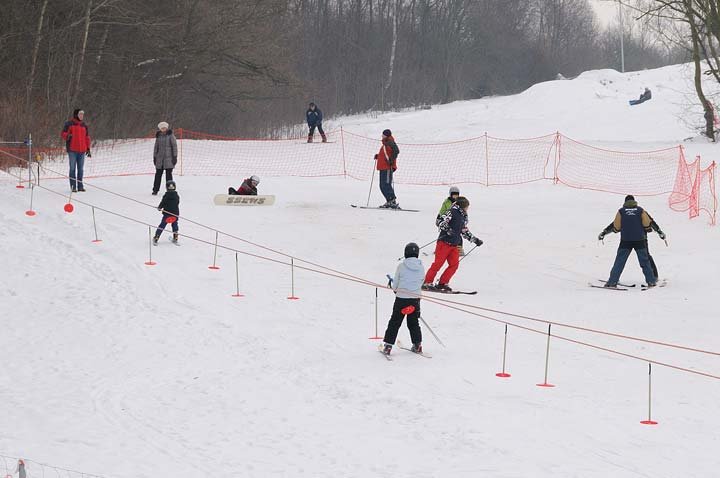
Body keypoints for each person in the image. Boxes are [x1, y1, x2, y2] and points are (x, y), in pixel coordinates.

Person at [598, 195, 664, 288]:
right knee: (644, 261)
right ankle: (651, 281)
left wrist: (605, 232)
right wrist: (654, 231)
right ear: (634, 201)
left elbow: (616, 226)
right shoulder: (640, 210)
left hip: (626, 240)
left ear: (625, 202)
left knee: (620, 261)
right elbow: (647, 223)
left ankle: (612, 281)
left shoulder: (621, 211)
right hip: (640, 240)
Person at [423, 196, 483, 292]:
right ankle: (427, 282)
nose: (468, 209)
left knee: (454, 265)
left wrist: (475, 240)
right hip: (444, 243)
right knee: (438, 264)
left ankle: (442, 283)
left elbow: (463, 230)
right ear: (463, 206)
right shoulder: (452, 211)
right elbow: (440, 221)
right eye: (467, 207)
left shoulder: (463, 216)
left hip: (454, 245)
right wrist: (448, 230)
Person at [382, 242, 425, 356]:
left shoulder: (401, 266)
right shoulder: (421, 267)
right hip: (415, 299)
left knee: (395, 322)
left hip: (401, 298)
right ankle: (417, 344)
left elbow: (396, 283)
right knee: (414, 322)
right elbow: (421, 281)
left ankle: (388, 346)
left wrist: (395, 288)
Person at [61, 108, 91, 192]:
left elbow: (87, 137)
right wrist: (68, 136)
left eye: (82, 114)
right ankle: (73, 186)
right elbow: (63, 134)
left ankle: (80, 186)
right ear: (76, 115)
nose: (82, 116)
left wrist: (88, 148)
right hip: (72, 150)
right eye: (80, 114)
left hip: (82, 151)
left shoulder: (84, 125)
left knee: (80, 169)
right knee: (72, 169)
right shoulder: (69, 124)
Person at [374, 129, 400, 208]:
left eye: (383, 135)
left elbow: (396, 151)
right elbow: (387, 153)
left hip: (387, 167)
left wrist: (391, 160)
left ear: (386, 135)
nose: (382, 136)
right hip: (383, 167)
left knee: (386, 184)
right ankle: (389, 201)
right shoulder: (385, 143)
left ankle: (392, 201)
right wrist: (378, 156)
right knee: (382, 185)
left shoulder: (390, 142)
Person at [152, 121, 178, 195]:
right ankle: (155, 190)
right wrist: (154, 157)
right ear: (160, 129)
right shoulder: (158, 136)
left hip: (169, 159)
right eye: (162, 128)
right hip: (160, 159)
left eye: (165, 128)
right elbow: (156, 147)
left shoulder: (171, 136)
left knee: (169, 175)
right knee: (158, 175)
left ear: (167, 128)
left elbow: (174, 147)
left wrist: (174, 157)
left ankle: (170, 189)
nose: (163, 129)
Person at [437, 186, 464, 255]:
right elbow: (442, 211)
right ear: (450, 194)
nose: (455, 197)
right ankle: (439, 248)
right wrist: (441, 217)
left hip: (456, 221)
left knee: (458, 235)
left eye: (456, 195)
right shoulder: (446, 202)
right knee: (443, 234)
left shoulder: (459, 202)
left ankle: (459, 248)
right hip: (448, 220)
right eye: (453, 195)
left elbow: (462, 211)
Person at [154, 180, 180, 245]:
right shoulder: (177, 196)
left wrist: (160, 207)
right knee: (174, 224)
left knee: (162, 225)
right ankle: (175, 236)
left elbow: (163, 202)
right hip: (175, 214)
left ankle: (157, 237)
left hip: (167, 214)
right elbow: (177, 203)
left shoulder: (166, 196)